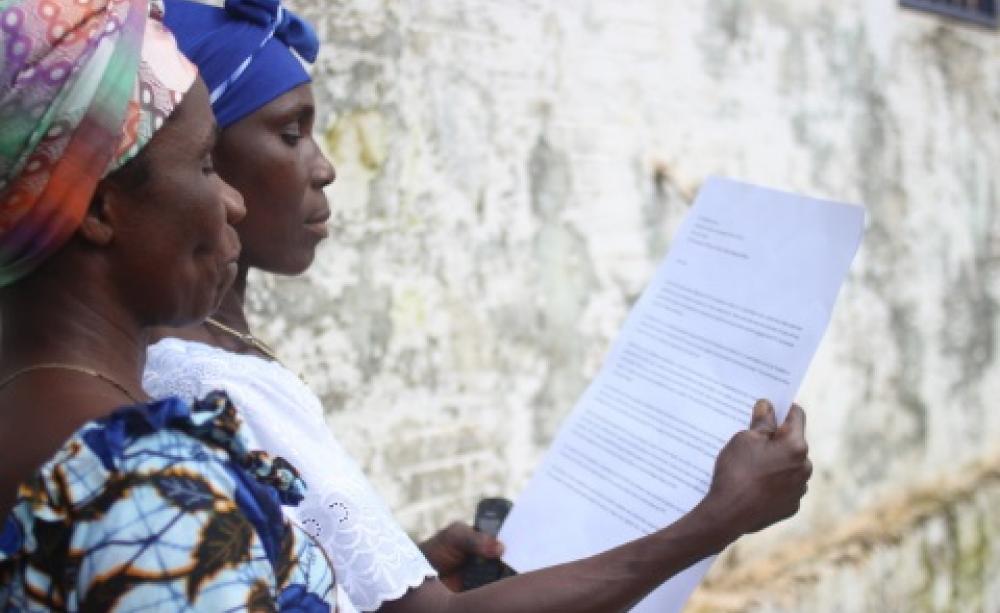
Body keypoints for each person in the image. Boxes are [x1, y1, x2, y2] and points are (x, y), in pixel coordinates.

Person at [144, 1, 813, 612]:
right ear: (204, 152)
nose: (324, 168)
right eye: (291, 133)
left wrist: (400, 565)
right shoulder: (200, 383)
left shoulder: (223, 351)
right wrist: (717, 518)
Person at [0, 0, 337, 609]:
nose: (232, 202)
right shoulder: (143, 489)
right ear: (101, 207)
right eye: (207, 164)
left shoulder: (36, 413)